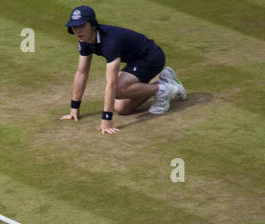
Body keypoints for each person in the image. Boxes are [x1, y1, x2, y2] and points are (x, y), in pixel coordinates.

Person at [59, 5, 186, 133]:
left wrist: (106, 119)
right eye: (75, 27)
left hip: (151, 57)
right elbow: (82, 72)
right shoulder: (84, 40)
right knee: (121, 109)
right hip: (135, 60)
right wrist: (74, 107)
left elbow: (112, 83)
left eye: (82, 26)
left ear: (92, 25)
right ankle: (163, 83)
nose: (78, 31)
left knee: (119, 90)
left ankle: (164, 90)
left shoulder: (110, 42)